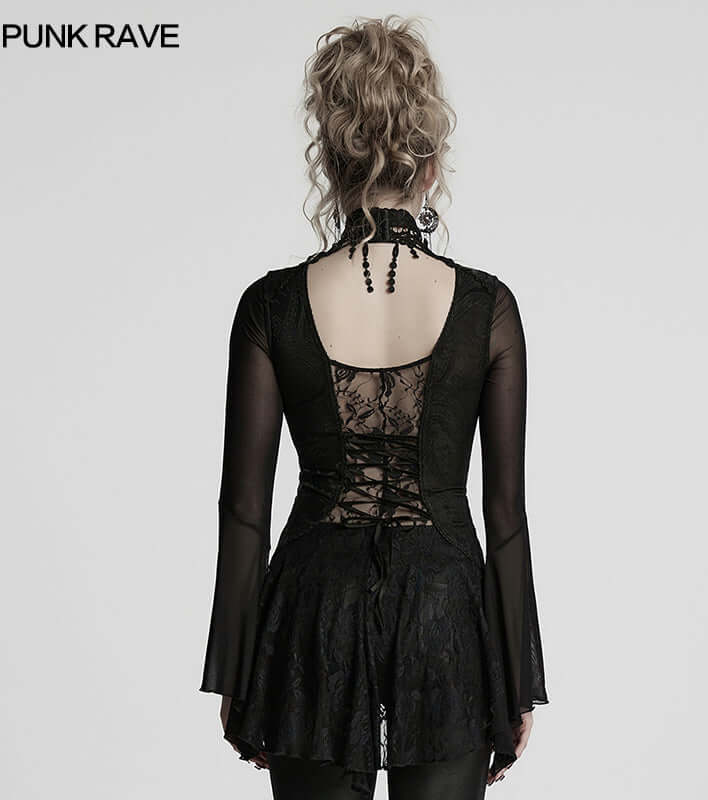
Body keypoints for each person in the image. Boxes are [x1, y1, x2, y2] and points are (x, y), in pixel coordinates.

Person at [199, 15, 549, 800]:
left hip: (311, 609)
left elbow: (244, 510)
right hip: (445, 613)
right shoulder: (487, 308)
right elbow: (506, 513)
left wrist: (239, 668)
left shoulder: (271, 307)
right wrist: (517, 679)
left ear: (330, 157)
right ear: (430, 162)